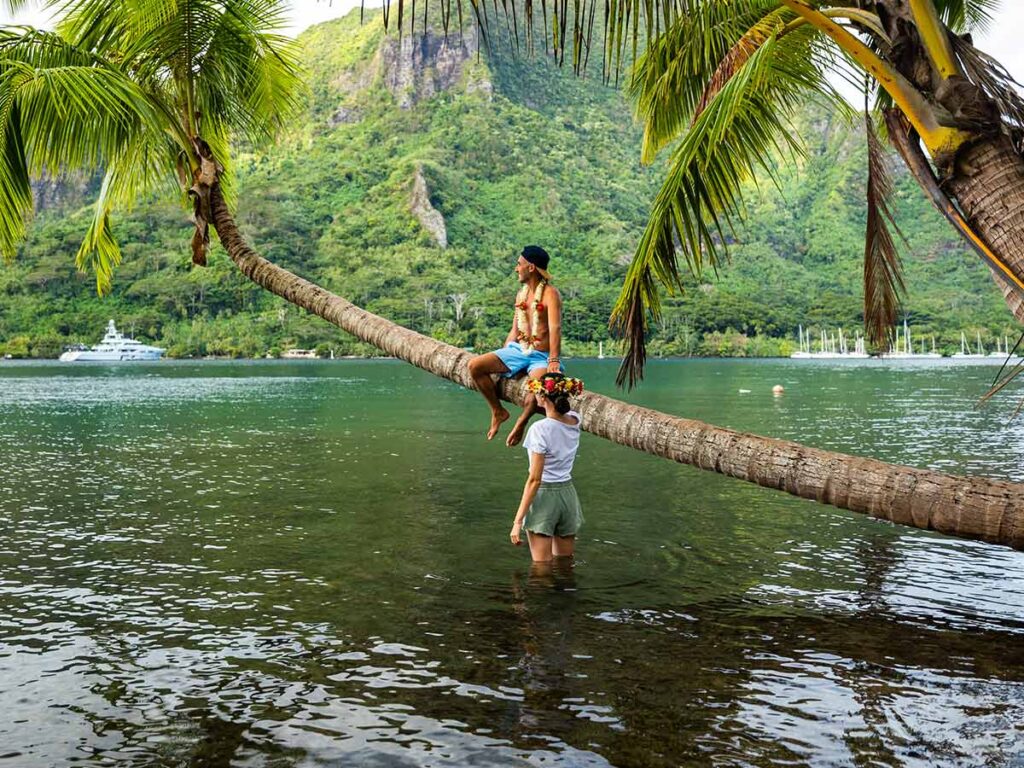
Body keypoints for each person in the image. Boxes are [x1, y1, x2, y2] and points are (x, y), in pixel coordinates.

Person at [467, 245, 563, 441]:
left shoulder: (551, 294)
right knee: (475, 366)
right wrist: (503, 355)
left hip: (541, 357)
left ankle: (521, 423)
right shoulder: (521, 294)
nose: (516, 268)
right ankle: (498, 411)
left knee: (534, 395)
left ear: (531, 268)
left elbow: (555, 329)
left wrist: (553, 360)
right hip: (519, 350)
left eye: (519, 264)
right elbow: (515, 330)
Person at [509, 372, 585, 563]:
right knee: (565, 563)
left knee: (541, 567)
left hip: (544, 497)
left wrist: (518, 521)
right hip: (568, 495)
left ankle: (543, 593)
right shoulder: (575, 420)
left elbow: (535, 480)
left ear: (542, 396)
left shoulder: (539, 429)